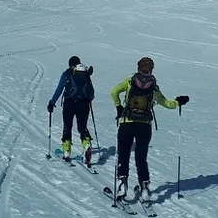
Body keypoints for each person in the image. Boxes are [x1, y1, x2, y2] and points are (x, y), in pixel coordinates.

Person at [110, 56, 188, 199]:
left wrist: (119, 107)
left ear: (138, 67)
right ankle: (145, 187)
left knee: (124, 153)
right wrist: (178, 102)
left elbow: (114, 91)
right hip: (144, 126)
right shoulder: (153, 86)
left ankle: (122, 184)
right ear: (151, 69)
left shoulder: (129, 81)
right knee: (141, 157)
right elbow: (166, 103)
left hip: (127, 122)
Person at [47, 56, 94, 161]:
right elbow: (91, 93)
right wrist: (87, 100)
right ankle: (86, 144)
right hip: (84, 104)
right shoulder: (85, 74)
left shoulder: (67, 74)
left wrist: (52, 102)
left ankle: (67, 151)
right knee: (82, 127)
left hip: (69, 104)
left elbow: (59, 89)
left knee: (67, 126)